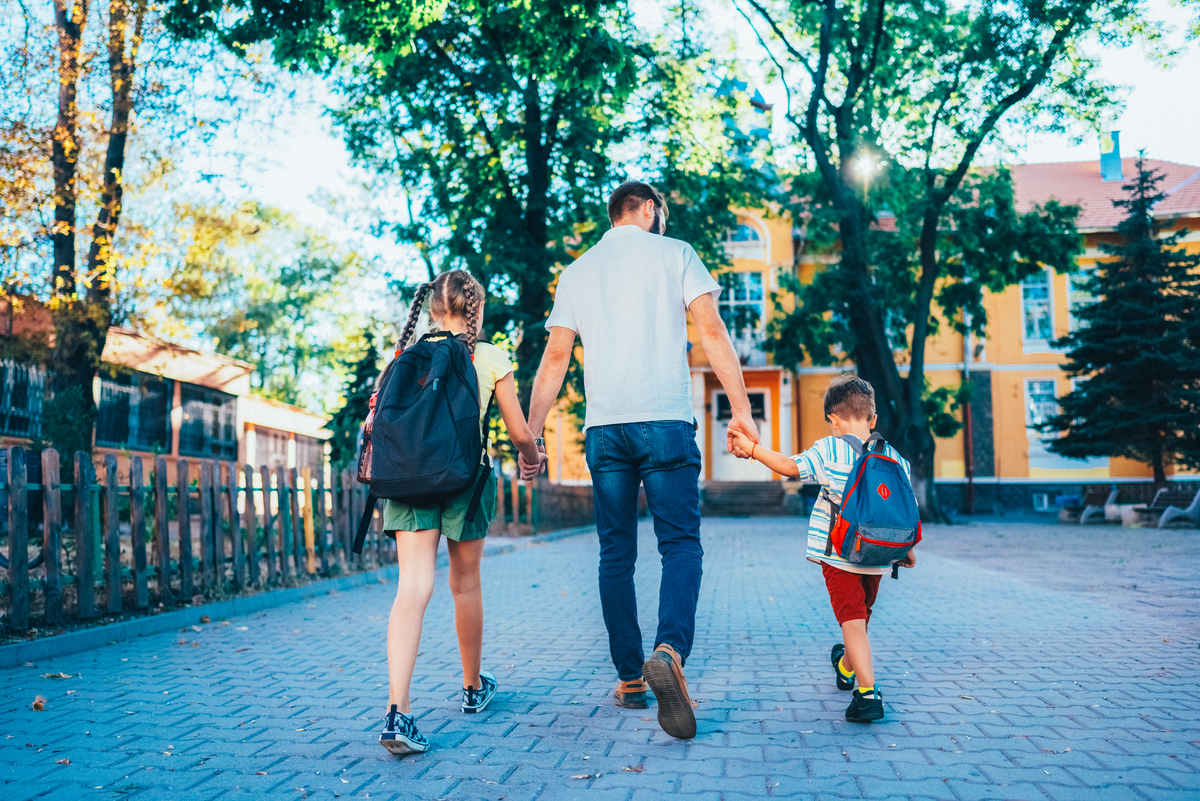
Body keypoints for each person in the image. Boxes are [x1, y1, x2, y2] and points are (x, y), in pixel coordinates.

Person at [520, 180, 759, 740]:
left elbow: (556, 356)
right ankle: (670, 651)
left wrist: (532, 435)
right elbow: (712, 331)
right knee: (679, 544)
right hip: (665, 422)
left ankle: (630, 678)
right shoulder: (676, 253)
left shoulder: (578, 271)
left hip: (605, 429)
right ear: (649, 210)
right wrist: (741, 412)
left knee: (615, 554)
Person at [378, 269, 546, 755]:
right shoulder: (489, 355)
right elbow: (518, 433)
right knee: (464, 581)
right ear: (476, 308)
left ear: (432, 308)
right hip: (463, 482)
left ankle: (398, 713)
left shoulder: (404, 358)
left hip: (407, 481)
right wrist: (533, 457)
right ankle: (473, 688)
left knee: (413, 586)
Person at [728, 374, 916, 723]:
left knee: (853, 622)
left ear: (833, 421)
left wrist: (752, 449)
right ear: (873, 419)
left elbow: (790, 467)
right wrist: (906, 550)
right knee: (859, 622)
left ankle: (868, 695)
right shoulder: (893, 457)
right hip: (878, 557)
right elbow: (904, 506)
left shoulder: (829, 449)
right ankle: (846, 667)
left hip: (840, 556)